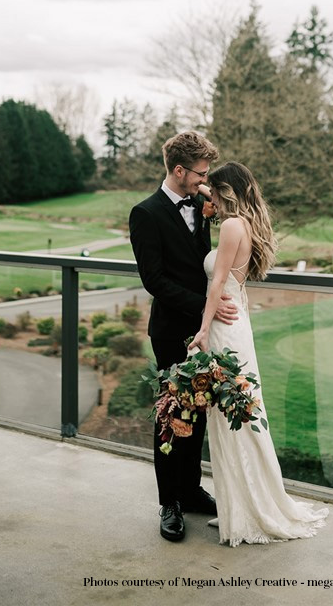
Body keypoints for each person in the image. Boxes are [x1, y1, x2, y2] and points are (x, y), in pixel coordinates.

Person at [190, 161, 329, 547]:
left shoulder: (233, 226)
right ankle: (239, 504)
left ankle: (250, 509)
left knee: (235, 417)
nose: (210, 200)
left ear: (227, 194)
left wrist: (201, 331)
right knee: (234, 415)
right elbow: (214, 197)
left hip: (222, 328)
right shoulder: (244, 223)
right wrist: (203, 188)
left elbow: (216, 282)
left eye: (215, 193)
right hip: (237, 326)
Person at [129, 131, 238, 543]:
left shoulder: (199, 204)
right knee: (172, 416)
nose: (205, 180)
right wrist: (203, 307)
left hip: (204, 329)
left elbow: (201, 261)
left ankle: (191, 490)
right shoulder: (146, 213)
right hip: (173, 330)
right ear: (179, 170)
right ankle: (169, 502)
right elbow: (154, 280)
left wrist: (211, 214)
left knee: (201, 410)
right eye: (201, 173)